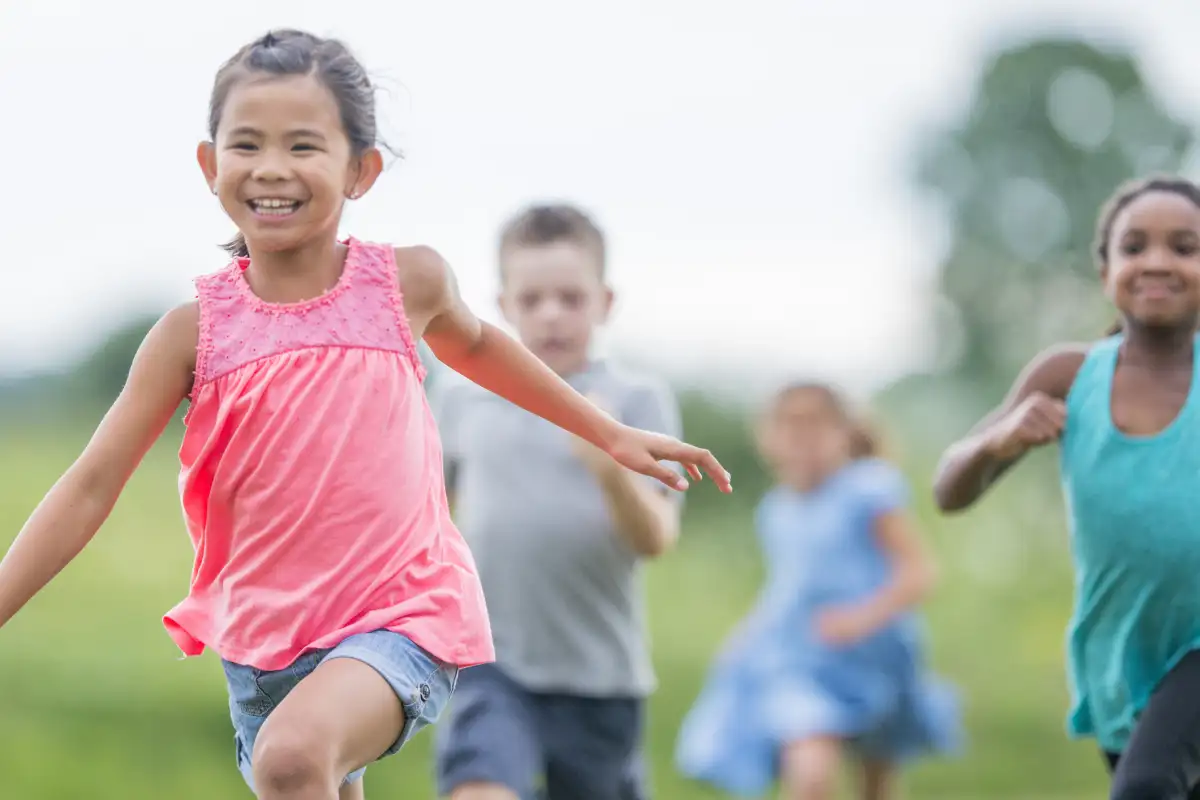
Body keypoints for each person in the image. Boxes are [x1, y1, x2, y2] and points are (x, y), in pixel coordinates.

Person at [0, 30, 730, 800]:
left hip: (403, 611)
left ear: (361, 170)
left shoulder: (404, 283)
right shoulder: (190, 334)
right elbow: (90, 484)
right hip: (264, 645)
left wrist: (610, 433)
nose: (273, 167)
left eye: (304, 145)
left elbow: (483, 349)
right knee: (307, 768)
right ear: (211, 165)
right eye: (247, 143)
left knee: (291, 760)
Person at [933, 175, 1200, 800]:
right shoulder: (1068, 375)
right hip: (1120, 654)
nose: (1157, 261)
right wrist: (994, 445)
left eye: (1184, 246)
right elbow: (949, 489)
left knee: (1146, 787)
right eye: (1135, 247)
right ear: (1105, 270)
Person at [430, 203, 680, 800]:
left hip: (599, 677)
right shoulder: (463, 399)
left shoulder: (637, 401)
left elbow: (656, 539)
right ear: (503, 306)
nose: (551, 315)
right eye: (533, 298)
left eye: (571, 298)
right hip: (489, 662)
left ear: (605, 302)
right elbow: (431, 512)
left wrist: (611, 471)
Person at [676, 383, 959, 800]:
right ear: (766, 438)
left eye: (815, 425)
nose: (801, 437)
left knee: (876, 779)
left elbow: (919, 572)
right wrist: (746, 636)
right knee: (810, 769)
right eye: (788, 425)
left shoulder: (870, 490)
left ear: (845, 432)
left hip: (874, 656)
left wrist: (862, 617)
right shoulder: (777, 509)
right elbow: (787, 587)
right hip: (803, 659)